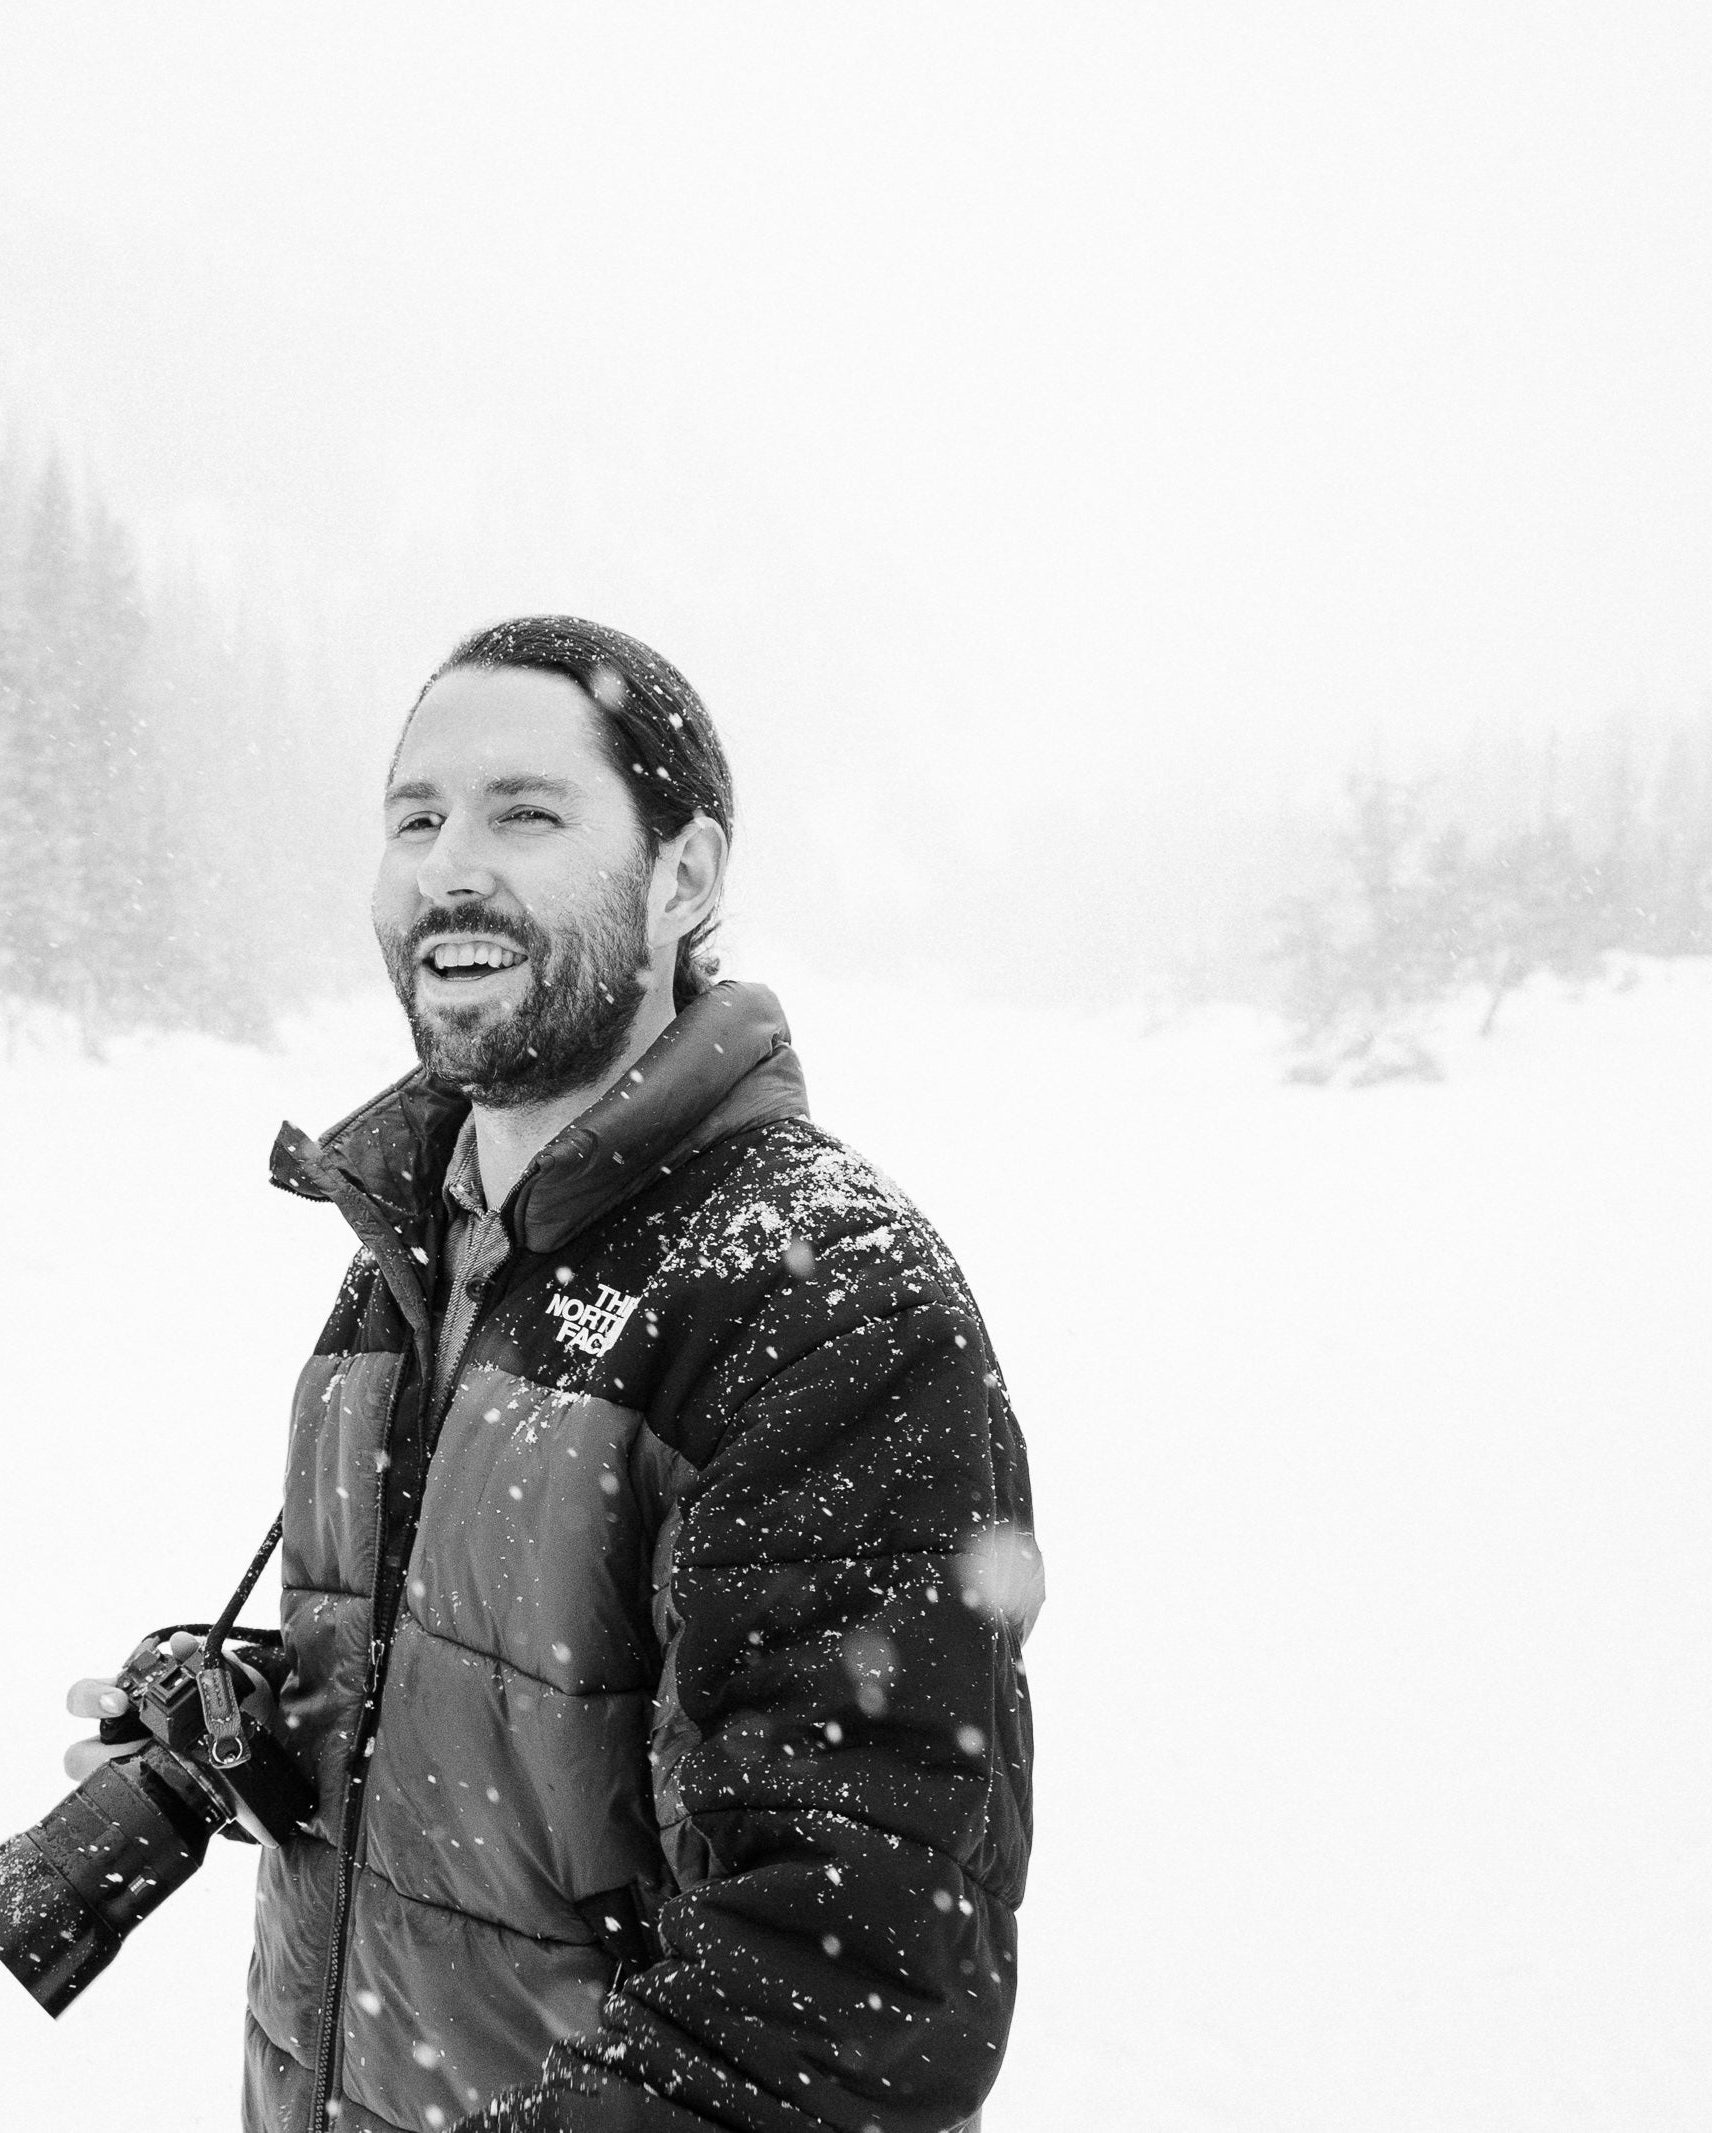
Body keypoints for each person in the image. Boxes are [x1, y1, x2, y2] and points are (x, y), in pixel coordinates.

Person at [67, 615, 1038, 2133]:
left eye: (527, 811)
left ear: (683, 877)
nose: (452, 863)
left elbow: (850, 1981)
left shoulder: (821, 1289)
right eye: (417, 816)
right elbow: (529, 1722)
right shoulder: (416, 1236)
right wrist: (262, 1721)